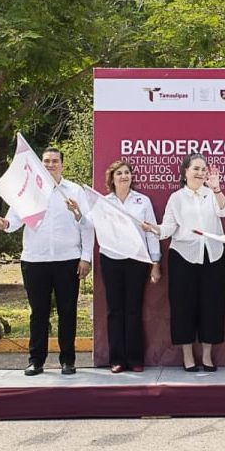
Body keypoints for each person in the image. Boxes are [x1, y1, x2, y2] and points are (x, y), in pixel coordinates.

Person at [0, 148, 92, 376]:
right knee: (38, 312)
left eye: (55, 161)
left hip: (68, 260)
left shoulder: (75, 191)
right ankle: (36, 361)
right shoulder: (28, 191)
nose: (50, 165)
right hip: (35, 260)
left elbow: (88, 225)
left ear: (62, 165)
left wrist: (86, 257)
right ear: (40, 164)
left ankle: (67, 360)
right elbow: (14, 220)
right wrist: (5, 224)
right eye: (46, 161)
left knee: (67, 312)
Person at [149, 153, 225, 374]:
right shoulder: (176, 198)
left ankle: (207, 355)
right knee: (183, 306)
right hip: (183, 257)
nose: (200, 173)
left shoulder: (211, 193)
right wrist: (154, 229)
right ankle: (187, 355)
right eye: (195, 168)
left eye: (203, 169)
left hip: (213, 255)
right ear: (185, 172)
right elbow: (168, 228)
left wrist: (216, 189)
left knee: (212, 306)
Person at [99, 160, 161, 373]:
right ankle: (117, 359)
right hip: (111, 259)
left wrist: (155, 262)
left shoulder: (142, 201)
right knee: (114, 310)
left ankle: (135, 359)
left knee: (133, 310)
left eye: (127, 172)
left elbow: (151, 232)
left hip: (137, 260)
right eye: (119, 173)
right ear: (112, 178)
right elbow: (90, 224)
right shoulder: (104, 202)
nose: (124, 176)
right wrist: (77, 213)